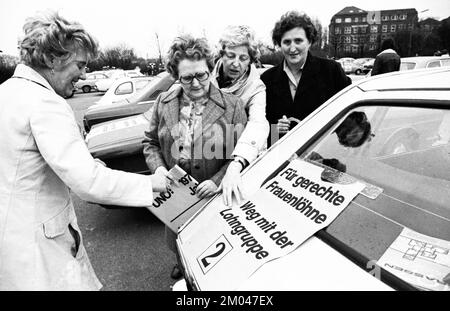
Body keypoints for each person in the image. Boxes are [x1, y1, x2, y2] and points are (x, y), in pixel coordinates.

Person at [0, 11, 167, 290]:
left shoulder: (7, 93)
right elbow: (89, 184)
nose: (84, 74)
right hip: (40, 254)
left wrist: (87, 167)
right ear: (53, 59)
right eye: (80, 64)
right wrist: (152, 182)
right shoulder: (46, 103)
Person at [142, 34, 247, 279]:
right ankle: (183, 264)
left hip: (214, 196)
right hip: (176, 199)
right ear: (176, 77)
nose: (196, 83)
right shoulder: (163, 102)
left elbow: (241, 153)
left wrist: (218, 180)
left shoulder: (233, 106)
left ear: (211, 69)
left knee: (216, 249)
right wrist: (158, 169)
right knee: (180, 241)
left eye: (202, 75)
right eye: (187, 78)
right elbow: (150, 142)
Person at [260, 11, 351, 143]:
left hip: (321, 156)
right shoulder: (267, 79)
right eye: (286, 42)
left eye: (298, 41)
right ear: (279, 45)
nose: (292, 48)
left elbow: (350, 118)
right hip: (281, 158)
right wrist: (275, 129)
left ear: (309, 42)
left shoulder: (331, 71)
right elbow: (260, 128)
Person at [210, 25, 269, 206]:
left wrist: (236, 165)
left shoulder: (256, 87)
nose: (236, 63)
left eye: (243, 58)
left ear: (250, 60)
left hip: (240, 158)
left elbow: (258, 123)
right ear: (221, 54)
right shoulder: (206, 75)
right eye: (231, 56)